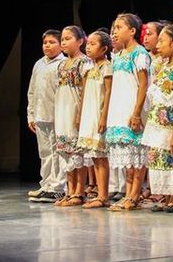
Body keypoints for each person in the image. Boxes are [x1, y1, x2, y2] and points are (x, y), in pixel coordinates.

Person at [141, 25, 173, 212]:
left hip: (171, 123)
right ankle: (166, 196)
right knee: (159, 158)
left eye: (162, 40)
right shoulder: (161, 66)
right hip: (157, 123)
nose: (158, 44)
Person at [107, 13, 151, 211]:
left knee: (137, 155)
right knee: (127, 156)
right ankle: (128, 193)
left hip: (133, 108)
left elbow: (143, 85)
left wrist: (136, 113)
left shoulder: (139, 53)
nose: (115, 31)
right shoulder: (118, 54)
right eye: (114, 28)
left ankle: (135, 195)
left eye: (119, 27)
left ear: (132, 31)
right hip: (119, 108)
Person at [53, 26, 92, 207]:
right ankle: (70, 190)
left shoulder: (84, 62)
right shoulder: (61, 63)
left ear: (80, 41)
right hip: (62, 108)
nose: (64, 42)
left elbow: (86, 90)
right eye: (62, 39)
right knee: (66, 151)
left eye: (68, 38)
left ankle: (79, 191)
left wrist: (80, 113)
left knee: (77, 151)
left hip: (75, 107)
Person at [27, 30, 67, 202]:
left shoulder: (64, 63)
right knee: (45, 152)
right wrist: (31, 114)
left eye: (52, 42)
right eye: (45, 43)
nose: (47, 46)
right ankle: (46, 184)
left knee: (58, 152)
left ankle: (58, 187)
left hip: (57, 115)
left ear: (60, 45)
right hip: (40, 115)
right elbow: (32, 91)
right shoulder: (39, 64)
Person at [78, 31, 114, 209]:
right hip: (88, 114)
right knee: (94, 157)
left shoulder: (106, 67)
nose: (88, 47)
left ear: (104, 48)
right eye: (88, 43)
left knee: (101, 157)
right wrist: (80, 114)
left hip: (98, 115)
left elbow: (108, 93)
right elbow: (84, 93)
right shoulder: (90, 68)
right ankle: (100, 194)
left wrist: (104, 116)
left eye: (93, 44)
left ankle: (103, 195)